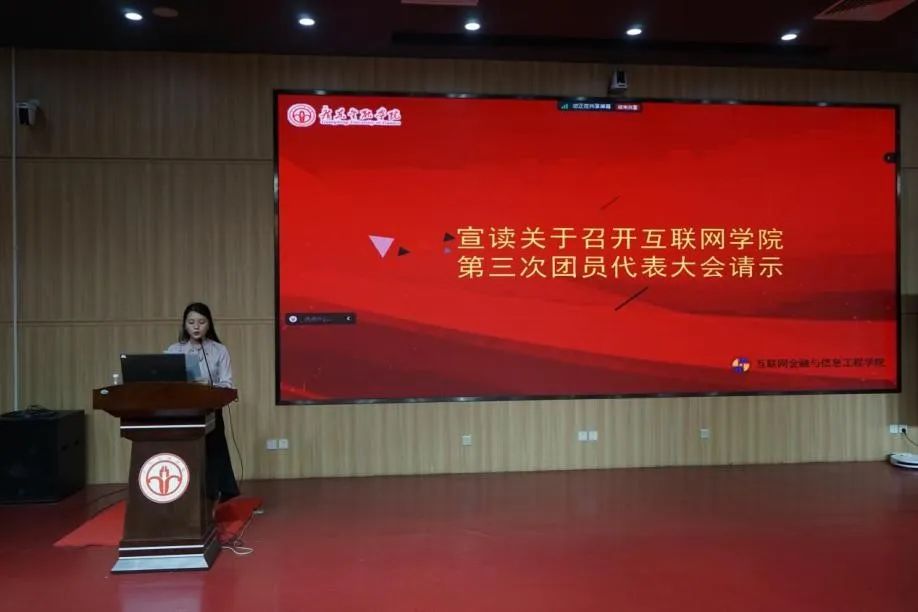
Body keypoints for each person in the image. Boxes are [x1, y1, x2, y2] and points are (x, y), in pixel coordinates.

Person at [165, 302, 240, 502]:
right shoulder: (174, 350)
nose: (196, 327)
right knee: (186, 452)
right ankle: (184, 492)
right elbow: (165, 381)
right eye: (191, 322)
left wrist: (209, 386)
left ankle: (215, 493)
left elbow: (227, 383)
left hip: (210, 409)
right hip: (182, 411)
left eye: (201, 322)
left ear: (209, 324)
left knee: (214, 452)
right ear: (184, 325)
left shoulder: (219, 350)